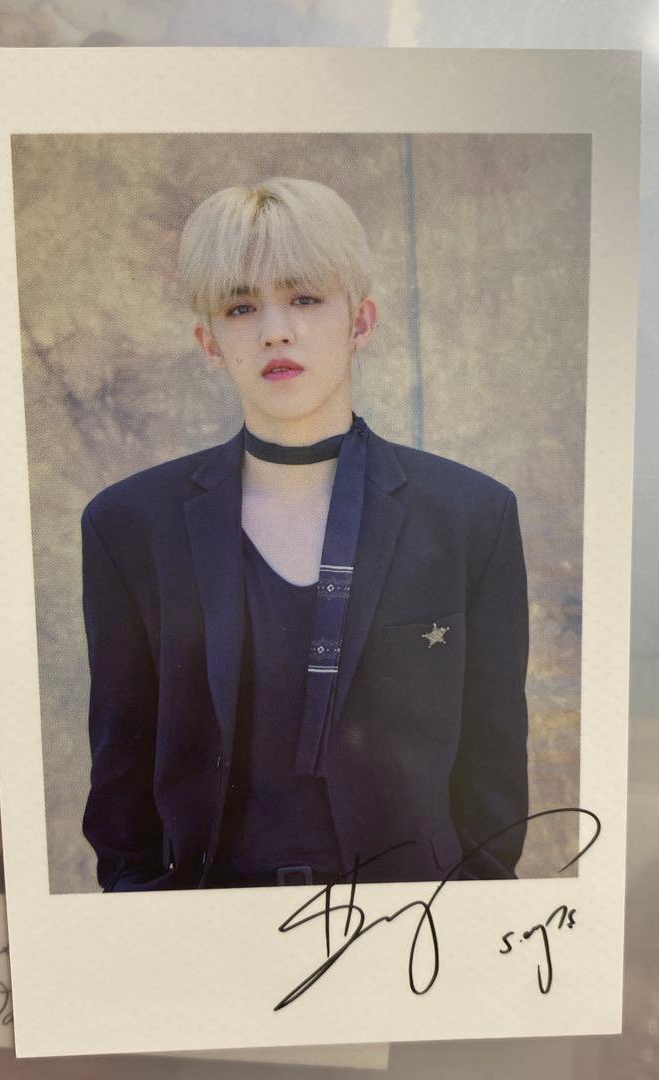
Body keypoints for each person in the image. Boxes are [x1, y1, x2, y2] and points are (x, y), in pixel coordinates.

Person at [80, 177, 529, 891]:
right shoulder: (129, 524)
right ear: (209, 341)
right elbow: (120, 768)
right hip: (210, 929)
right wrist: (147, 910)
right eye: (240, 307)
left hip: (410, 928)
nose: (275, 331)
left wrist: (466, 917)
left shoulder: (472, 515)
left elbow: (493, 764)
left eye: (306, 298)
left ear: (361, 321)